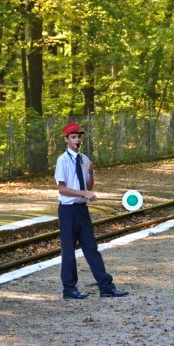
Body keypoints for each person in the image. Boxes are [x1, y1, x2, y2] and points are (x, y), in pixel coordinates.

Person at [54, 122, 129, 300]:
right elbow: (62, 189)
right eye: (73, 137)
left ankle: (106, 287)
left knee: (91, 248)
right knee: (69, 250)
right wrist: (83, 193)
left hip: (81, 209)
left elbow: (88, 186)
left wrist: (92, 175)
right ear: (66, 139)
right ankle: (69, 289)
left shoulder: (84, 159)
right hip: (67, 210)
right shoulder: (62, 160)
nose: (77, 140)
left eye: (79, 136)